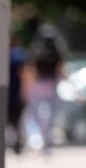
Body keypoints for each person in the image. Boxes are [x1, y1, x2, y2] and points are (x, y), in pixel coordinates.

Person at [25, 24, 67, 152]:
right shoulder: (58, 52)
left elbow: (31, 71)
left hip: (38, 87)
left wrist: (28, 87)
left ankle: (38, 138)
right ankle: (46, 141)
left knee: (35, 115)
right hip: (52, 87)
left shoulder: (35, 51)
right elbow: (61, 71)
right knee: (53, 115)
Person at [7, 32, 27, 154]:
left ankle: (17, 142)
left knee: (13, 120)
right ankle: (17, 142)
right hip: (15, 93)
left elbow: (23, 73)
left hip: (11, 93)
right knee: (17, 121)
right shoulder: (19, 54)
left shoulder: (9, 54)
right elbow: (24, 73)